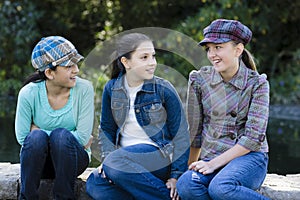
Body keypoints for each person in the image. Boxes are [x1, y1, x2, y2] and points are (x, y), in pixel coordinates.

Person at [86, 33, 190, 200]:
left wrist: (176, 175)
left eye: (153, 56)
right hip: (123, 163)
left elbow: (182, 135)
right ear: (125, 62)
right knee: (94, 183)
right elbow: (106, 129)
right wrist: (107, 160)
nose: (152, 63)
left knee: (114, 162)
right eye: (144, 57)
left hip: (158, 156)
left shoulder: (163, 89)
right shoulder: (111, 89)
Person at [176, 19, 270, 200]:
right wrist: (185, 171)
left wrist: (212, 165)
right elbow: (194, 133)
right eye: (208, 49)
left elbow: (252, 139)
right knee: (186, 184)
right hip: (212, 155)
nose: (212, 54)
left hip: (249, 159)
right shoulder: (199, 80)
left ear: (238, 49)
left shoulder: (257, 84)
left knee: (221, 187)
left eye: (218, 47)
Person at [15, 36, 94, 200]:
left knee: (60, 136)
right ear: (49, 72)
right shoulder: (28, 93)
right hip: (40, 164)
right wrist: (48, 136)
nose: (76, 70)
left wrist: (46, 134)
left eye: (76, 64)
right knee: (36, 138)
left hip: (73, 160)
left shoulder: (84, 89)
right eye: (69, 66)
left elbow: (83, 137)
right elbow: (23, 137)